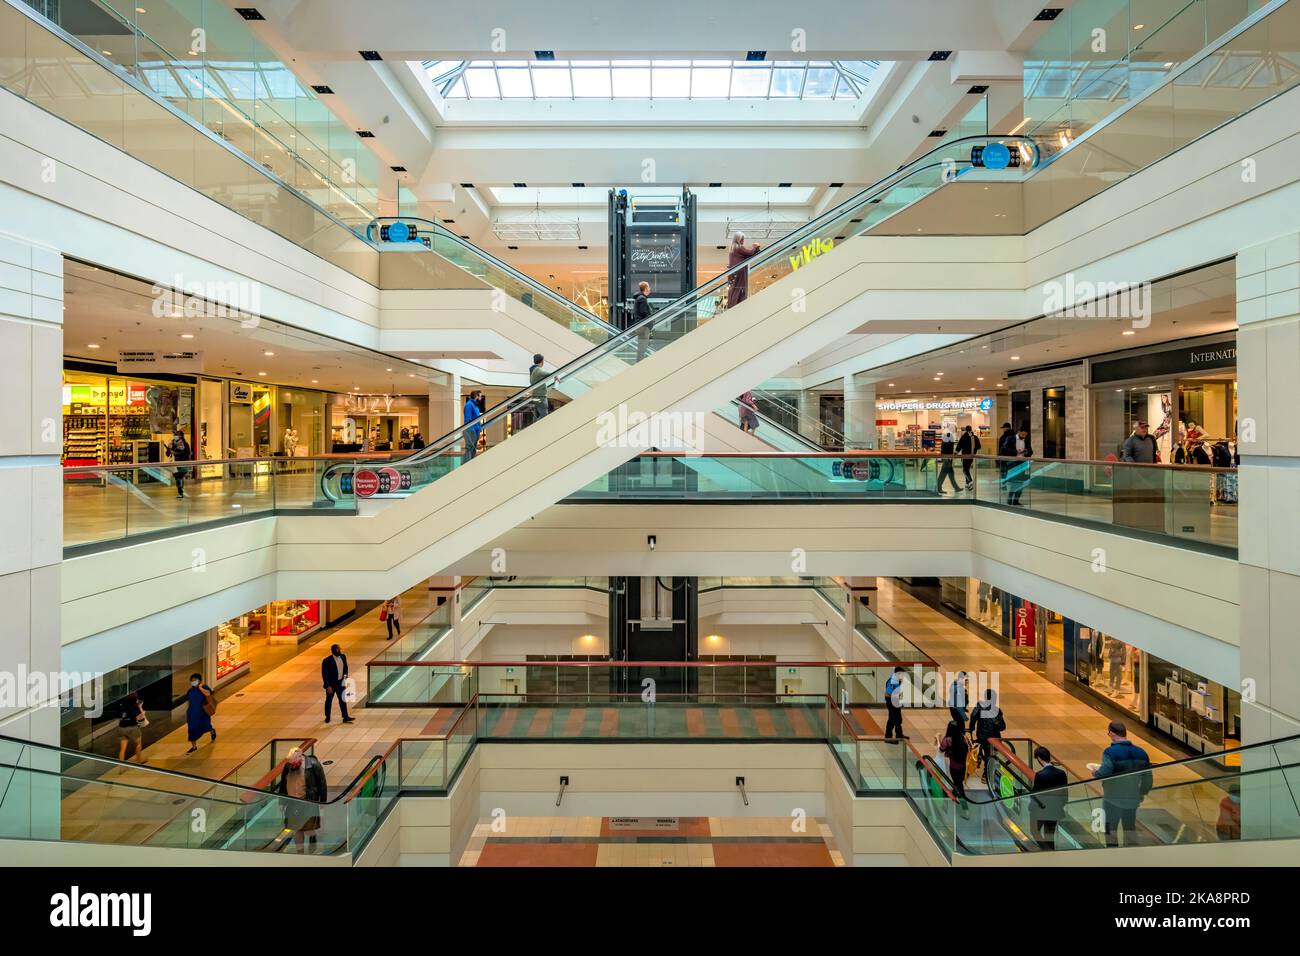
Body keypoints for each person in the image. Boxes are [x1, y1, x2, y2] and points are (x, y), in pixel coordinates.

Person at [1092, 720, 1153, 847]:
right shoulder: (1141, 753)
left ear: (1113, 733)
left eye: (1109, 733)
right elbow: (1148, 778)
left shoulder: (1110, 752)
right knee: (1129, 829)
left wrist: (1096, 772)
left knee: (1110, 829)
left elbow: (1105, 772)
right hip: (1132, 799)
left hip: (1112, 799)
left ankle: (1113, 856)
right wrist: (1141, 793)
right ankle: (1130, 856)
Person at [276, 747, 328, 852]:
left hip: (308, 801)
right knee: (296, 829)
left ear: (300, 756)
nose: (292, 764)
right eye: (290, 761)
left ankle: (313, 839)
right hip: (292, 803)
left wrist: (322, 801)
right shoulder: (288, 766)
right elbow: (283, 785)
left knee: (308, 829)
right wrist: (281, 802)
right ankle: (300, 851)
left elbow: (322, 784)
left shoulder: (313, 765)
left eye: (293, 761)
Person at [1029, 746, 1068, 850]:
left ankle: (1047, 850)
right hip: (1056, 810)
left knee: (1034, 831)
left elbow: (1035, 794)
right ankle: (1051, 854)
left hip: (1041, 811)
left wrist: (1031, 808)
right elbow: (1065, 794)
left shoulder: (1040, 775)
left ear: (1039, 759)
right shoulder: (1061, 773)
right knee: (1049, 835)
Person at [968, 689, 1006, 768]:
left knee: (987, 751)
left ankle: (986, 765)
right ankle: (988, 769)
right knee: (991, 753)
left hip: (981, 735)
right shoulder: (997, 710)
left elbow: (973, 717)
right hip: (994, 738)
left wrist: (971, 727)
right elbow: (1002, 727)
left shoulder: (979, 706)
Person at [725, 231, 761, 309]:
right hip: (740, 271)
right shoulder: (739, 247)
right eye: (742, 239)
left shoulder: (733, 248)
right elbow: (750, 253)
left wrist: (756, 250)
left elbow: (747, 255)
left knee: (734, 289)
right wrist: (755, 246)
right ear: (738, 239)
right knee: (740, 288)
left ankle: (733, 305)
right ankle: (738, 305)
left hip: (734, 272)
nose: (743, 240)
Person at [321, 643, 354, 724]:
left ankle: (345, 716)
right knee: (329, 701)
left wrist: (345, 679)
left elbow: (345, 668)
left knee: (342, 700)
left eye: (339, 649)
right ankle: (327, 716)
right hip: (331, 685)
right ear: (333, 651)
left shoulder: (343, 657)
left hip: (340, 683)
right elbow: (324, 674)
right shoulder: (327, 660)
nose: (339, 650)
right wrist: (327, 686)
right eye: (337, 649)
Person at [184, 673, 217, 754]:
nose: (193, 682)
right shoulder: (190, 691)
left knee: (205, 725)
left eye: (195, 680)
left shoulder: (204, 687)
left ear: (199, 680)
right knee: (191, 729)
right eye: (192, 680)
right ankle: (194, 746)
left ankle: (211, 730)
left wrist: (200, 688)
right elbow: (189, 701)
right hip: (192, 713)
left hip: (202, 712)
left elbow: (208, 694)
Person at [938, 719, 969, 800]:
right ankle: (955, 793)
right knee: (959, 781)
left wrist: (938, 740)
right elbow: (968, 747)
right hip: (963, 765)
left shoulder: (947, 739)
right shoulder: (963, 738)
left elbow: (941, 749)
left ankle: (963, 800)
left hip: (954, 766)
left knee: (958, 784)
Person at [1004, 423, 1033, 505]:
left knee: (1021, 483)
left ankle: (1016, 500)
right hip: (1012, 464)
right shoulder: (1010, 439)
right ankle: (1009, 500)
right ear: (1019, 432)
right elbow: (1004, 450)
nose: (1024, 436)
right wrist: (1016, 452)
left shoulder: (1027, 440)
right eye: (1023, 434)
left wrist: (1027, 452)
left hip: (1022, 464)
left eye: (1026, 435)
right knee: (1013, 483)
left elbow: (1031, 451)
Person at [117, 691, 147, 764]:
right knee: (138, 743)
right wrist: (142, 711)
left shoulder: (121, 705)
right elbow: (139, 717)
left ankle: (121, 766)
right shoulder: (134, 705)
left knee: (122, 748)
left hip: (121, 727)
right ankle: (139, 760)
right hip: (132, 727)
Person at [165, 428, 192, 499]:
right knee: (178, 478)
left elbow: (187, 454)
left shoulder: (185, 444)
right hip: (175, 463)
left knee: (179, 477)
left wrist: (175, 453)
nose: (175, 436)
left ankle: (181, 492)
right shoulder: (173, 443)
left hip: (183, 463)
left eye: (177, 435)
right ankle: (181, 492)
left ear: (181, 436)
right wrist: (168, 449)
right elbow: (168, 454)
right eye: (175, 435)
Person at [883, 665, 907, 740]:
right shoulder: (893, 681)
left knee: (898, 718)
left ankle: (899, 735)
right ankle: (888, 737)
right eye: (902, 674)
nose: (903, 676)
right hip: (891, 701)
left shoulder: (897, 680)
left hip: (895, 701)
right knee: (892, 718)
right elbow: (889, 693)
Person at [632, 281, 654, 360]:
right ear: (645, 288)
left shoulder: (640, 298)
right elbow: (644, 314)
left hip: (642, 327)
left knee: (642, 349)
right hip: (643, 328)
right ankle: (639, 365)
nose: (650, 288)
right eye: (648, 287)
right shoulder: (642, 299)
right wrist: (650, 324)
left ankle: (640, 364)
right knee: (642, 349)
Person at [956, 424, 981, 489]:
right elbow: (979, 447)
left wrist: (956, 452)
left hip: (965, 456)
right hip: (972, 456)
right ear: (971, 429)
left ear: (965, 430)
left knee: (965, 469)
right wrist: (973, 450)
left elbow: (959, 446)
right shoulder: (975, 437)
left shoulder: (963, 437)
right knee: (967, 468)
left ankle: (970, 481)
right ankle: (967, 484)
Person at [462, 392, 482, 461]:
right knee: (469, 449)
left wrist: (479, 428)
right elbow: (468, 419)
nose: (481, 398)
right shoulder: (469, 405)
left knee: (473, 450)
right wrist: (472, 431)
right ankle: (466, 467)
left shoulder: (475, 406)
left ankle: (471, 466)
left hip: (476, 430)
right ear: (476, 396)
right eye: (480, 396)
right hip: (471, 430)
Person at [529, 354, 549, 420]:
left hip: (536, 396)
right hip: (541, 397)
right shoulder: (537, 369)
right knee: (544, 417)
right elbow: (547, 374)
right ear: (542, 361)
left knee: (539, 415)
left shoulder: (533, 370)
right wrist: (555, 376)